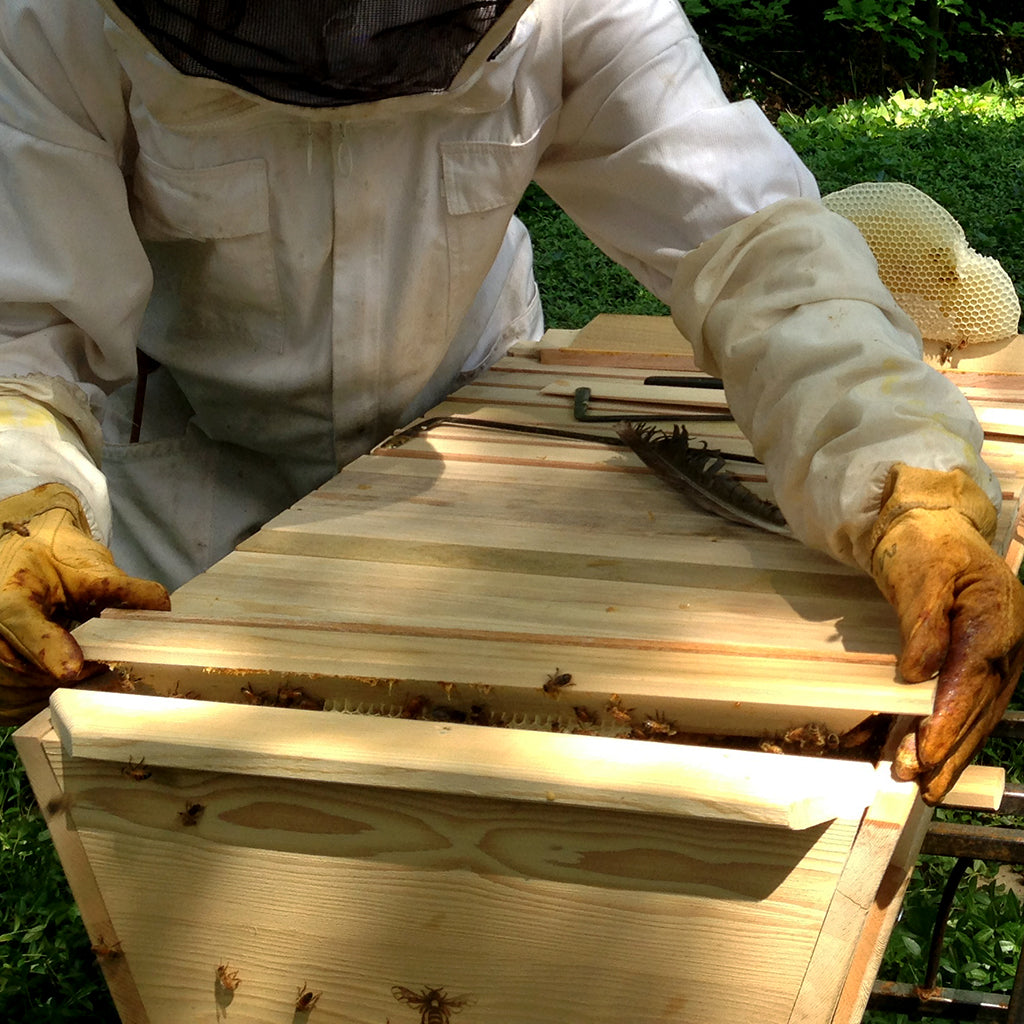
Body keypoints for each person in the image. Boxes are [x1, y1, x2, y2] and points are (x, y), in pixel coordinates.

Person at [0, 0, 1021, 803]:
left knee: (486, 788)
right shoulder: (52, 21)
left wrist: (909, 476)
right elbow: (21, 327)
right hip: (194, 468)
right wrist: (17, 502)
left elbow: (753, 244)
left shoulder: (577, 11)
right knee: (218, 817)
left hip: (453, 431)